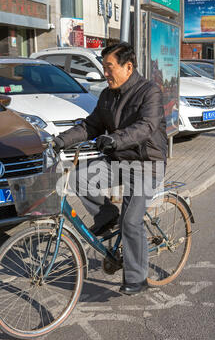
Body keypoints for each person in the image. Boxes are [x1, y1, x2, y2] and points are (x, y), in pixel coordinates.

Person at [53, 42, 167, 295]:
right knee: (79, 179)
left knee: (131, 222)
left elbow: (146, 126)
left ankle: (137, 278)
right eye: (103, 67)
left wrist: (116, 139)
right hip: (118, 160)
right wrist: (60, 140)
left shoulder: (149, 91)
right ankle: (106, 216)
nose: (105, 73)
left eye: (109, 67)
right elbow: (90, 126)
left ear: (128, 67)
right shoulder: (107, 95)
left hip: (147, 163)